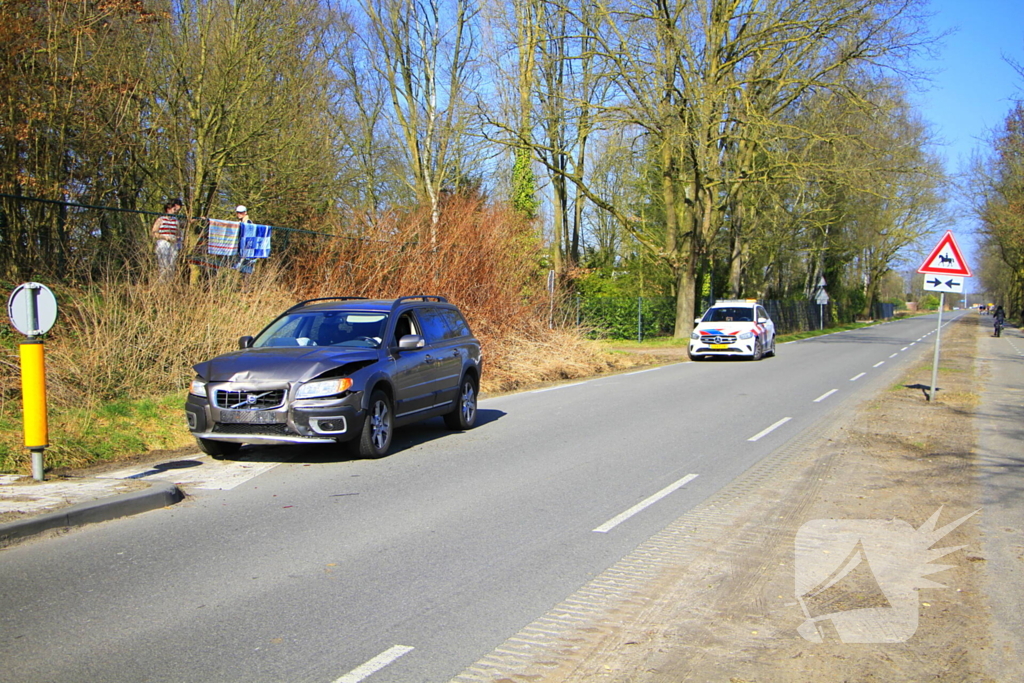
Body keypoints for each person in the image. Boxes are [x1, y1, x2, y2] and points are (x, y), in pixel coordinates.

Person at [151, 199, 182, 279]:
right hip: (163, 243)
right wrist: (164, 237)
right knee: (163, 265)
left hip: (173, 243)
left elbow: (178, 233)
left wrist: (177, 238)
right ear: (168, 209)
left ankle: (169, 283)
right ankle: (162, 284)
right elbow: (154, 232)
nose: (175, 211)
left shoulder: (176, 220)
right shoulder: (161, 219)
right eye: (173, 209)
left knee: (172, 265)